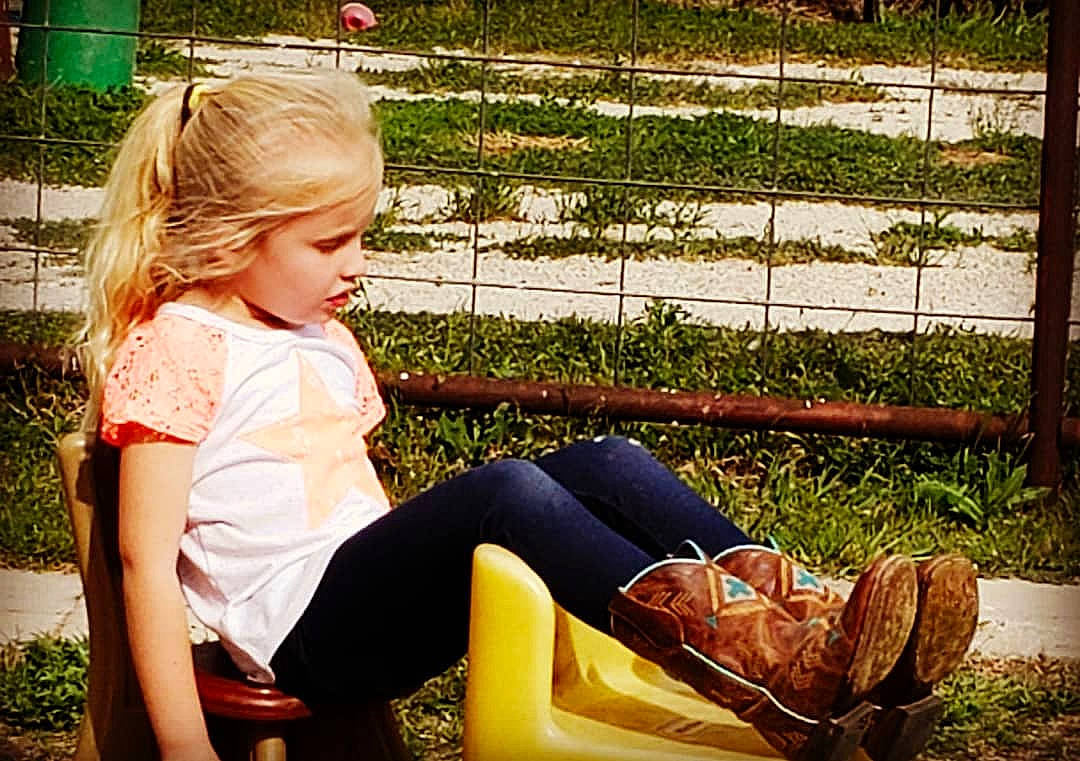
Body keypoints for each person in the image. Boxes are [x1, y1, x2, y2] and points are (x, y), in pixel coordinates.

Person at [79, 72, 977, 761]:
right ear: (232, 235)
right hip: (300, 637)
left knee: (609, 458)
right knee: (504, 491)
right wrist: (183, 741)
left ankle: (820, 630)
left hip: (362, 604)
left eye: (362, 234)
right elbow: (142, 563)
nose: (356, 263)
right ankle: (780, 682)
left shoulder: (311, 327)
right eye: (328, 243)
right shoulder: (179, 348)